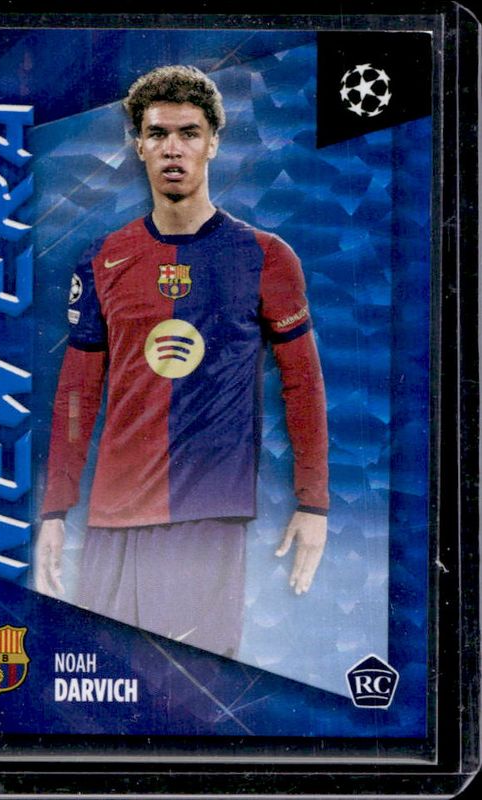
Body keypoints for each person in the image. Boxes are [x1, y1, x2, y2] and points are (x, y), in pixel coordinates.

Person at [35, 65, 328, 658]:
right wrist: (56, 509)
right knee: (107, 682)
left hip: (207, 512)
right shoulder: (103, 257)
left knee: (187, 686)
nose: (173, 148)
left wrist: (313, 502)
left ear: (213, 142)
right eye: (158, 133)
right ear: (138, 145)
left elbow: (303, 383)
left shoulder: (266, 257)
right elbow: (76, 392)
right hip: (113, 513)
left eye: (189, 133)